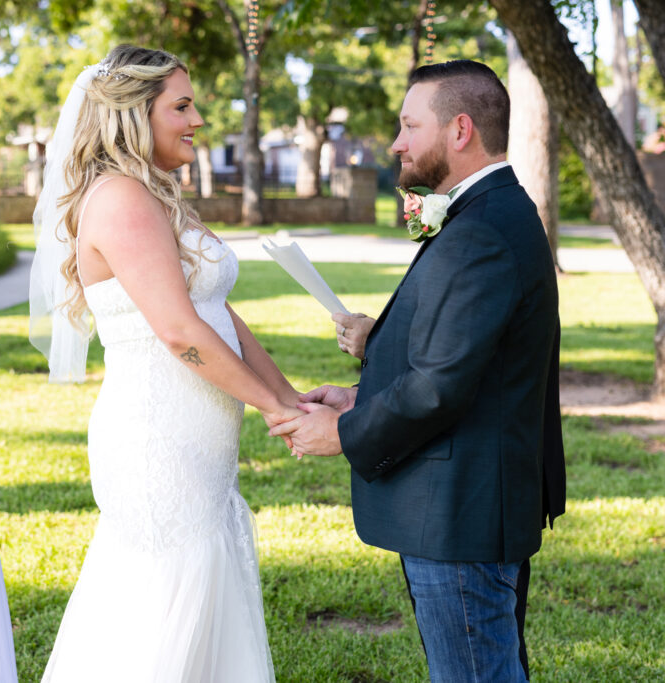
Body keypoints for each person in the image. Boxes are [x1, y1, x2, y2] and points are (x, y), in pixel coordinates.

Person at [271, 60, 567, 682]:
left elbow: (439, 385)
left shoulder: (481, 230)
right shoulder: (490, 213)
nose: (397, 142)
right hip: (472, 501)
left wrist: (342, 433)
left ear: (460, 130)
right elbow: (471, 355)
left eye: (409, 126)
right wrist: (361, 395)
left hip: (460, 514)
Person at [29, 44, 302, 682]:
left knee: (201, 598)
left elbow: (217, 315)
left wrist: (288, 396)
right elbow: (181, 332)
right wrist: (274, 410)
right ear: (134, 114)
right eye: (181, 105)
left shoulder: (157, 194)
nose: (197, 119)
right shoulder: (122, 199)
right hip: (157, 442)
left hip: (195, 439)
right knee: (160, 613)